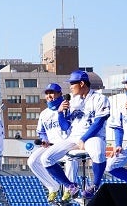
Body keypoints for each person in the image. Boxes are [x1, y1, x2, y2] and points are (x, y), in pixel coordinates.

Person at [40, 70, 111, 199]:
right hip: (73, 137)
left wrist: (84, 139)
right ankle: (70, 185)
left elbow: (99, 122)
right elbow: (65, 126)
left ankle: (95, 185)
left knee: (98, 151)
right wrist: (61, 113)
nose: (70, 87)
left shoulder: (100, 98)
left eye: (72, 84)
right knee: (46, 158)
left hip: (93, 136)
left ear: (82, 83)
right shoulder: (72, 101)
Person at [28, 83, 77, 202]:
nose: (49, 95)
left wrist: (62, 112)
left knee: (71, 159)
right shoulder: (44, 113)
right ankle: (52, 187)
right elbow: (42, 131)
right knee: (32, 161)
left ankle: (68, 189)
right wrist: (44, 140)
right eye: (47, 93)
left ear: (60, 94)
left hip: (68, 143)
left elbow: (66, 127)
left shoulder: (68, 107)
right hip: (51, 145)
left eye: (52, 93)